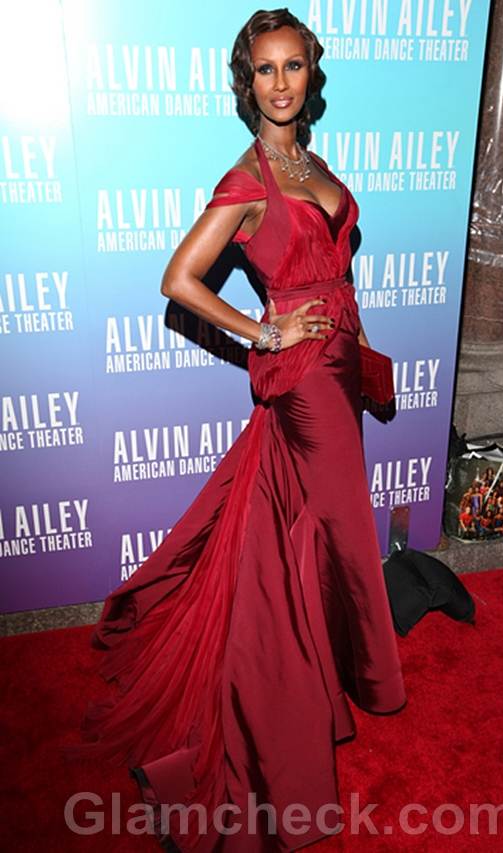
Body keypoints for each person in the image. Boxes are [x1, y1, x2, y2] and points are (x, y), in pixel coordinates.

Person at [63, 8, 407, 852]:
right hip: (302, 385)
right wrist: (264, 330)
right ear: (243, 79)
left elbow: (330, 262)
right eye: (265, 69)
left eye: (294, 67)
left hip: (338, 369)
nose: (281, 83)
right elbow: (178, 278)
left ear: (310, 75)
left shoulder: (311, 160)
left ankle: (325, 677)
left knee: (309, 536)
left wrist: (353, 341)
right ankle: (282, 718)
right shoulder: (247, 179)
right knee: (332, 532)